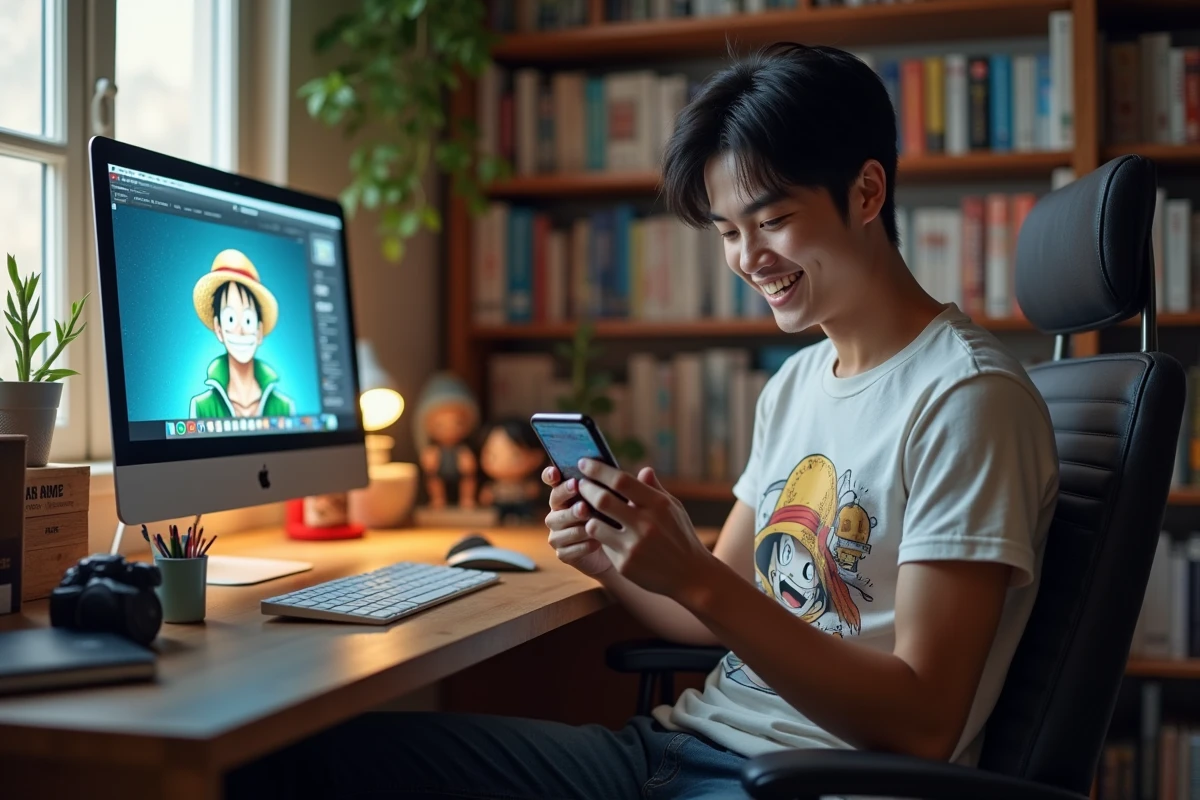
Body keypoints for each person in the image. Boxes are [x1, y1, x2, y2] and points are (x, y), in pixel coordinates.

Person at [226, 42, 1059, 799]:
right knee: (299, 762)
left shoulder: (966, 399)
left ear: (867, 190)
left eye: (771, 222)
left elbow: (922, 722)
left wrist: (694, 576)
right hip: (675, 753)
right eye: (728, 233)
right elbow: (710, 610)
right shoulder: (799, 383)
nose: (747, 260)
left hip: (803, 784)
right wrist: (616, 556)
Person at [189, 248, 296, 418]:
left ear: (259, 331)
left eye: (248, 320)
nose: (240, 330)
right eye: (231, 319)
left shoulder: (283, 406)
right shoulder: (202, 407)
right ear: (219, 329)